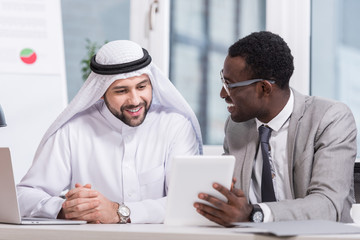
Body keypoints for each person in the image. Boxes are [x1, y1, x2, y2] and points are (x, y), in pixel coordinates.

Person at [17, 40, 203, 224]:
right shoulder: (73, 130)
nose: (135, 100)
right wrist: (67, 209)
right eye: (121, 91)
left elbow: (187, 201)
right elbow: (22, 196)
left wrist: (118, 212)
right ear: (100, 91)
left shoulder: (175, 125)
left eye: (142, 87)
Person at [194, 31, 357, 227]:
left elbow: (328, 205)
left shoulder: (330, 119)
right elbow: (233, 200)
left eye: (230, 85)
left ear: (264, 88)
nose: (222, 94)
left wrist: (255, 214)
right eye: (223, 81)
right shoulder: (235, 127)